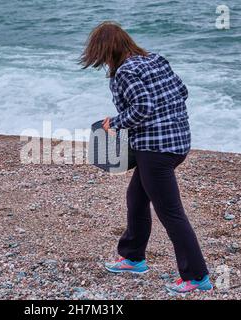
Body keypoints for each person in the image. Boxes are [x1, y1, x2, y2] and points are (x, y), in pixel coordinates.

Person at [80, 21, 212, 294]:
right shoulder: (155, 59)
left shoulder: (124, 73)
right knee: (137, 198)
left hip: (156, 151)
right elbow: (182, 92)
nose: (101, 62)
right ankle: (132, 257)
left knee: (172, 213)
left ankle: (197, 276)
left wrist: (114, 123)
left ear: (106, 51)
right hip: (178, 143)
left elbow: (143, 108)